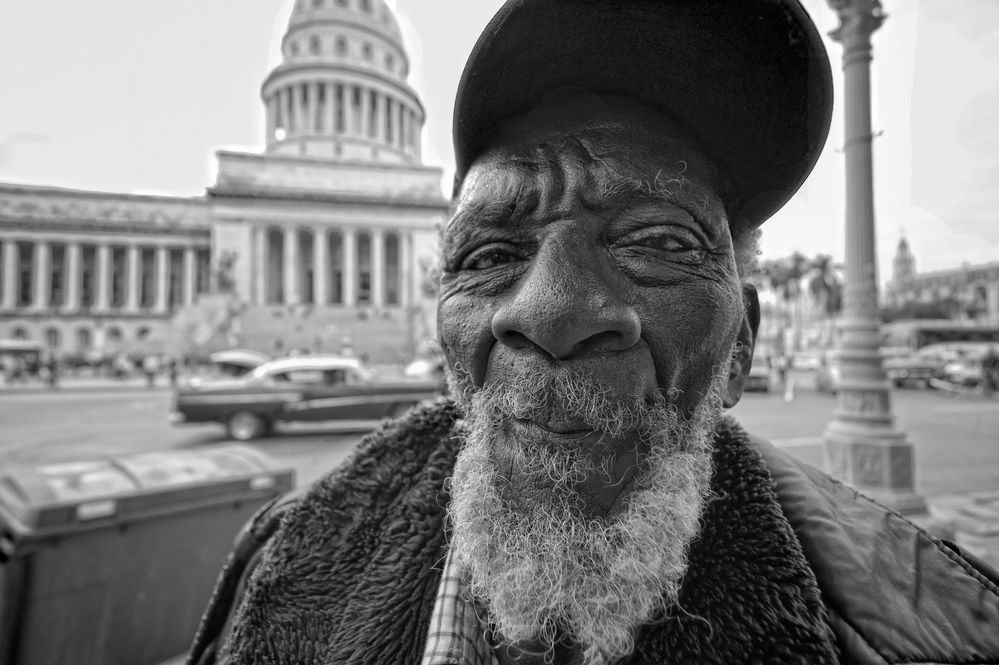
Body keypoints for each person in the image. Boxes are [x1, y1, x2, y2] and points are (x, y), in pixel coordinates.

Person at [190, 2, 999, 664]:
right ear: (444, 331)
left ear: (741, 344)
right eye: (491, 252)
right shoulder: (281, 563)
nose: (549, 310)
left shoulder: (926, 629)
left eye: (655, 241)